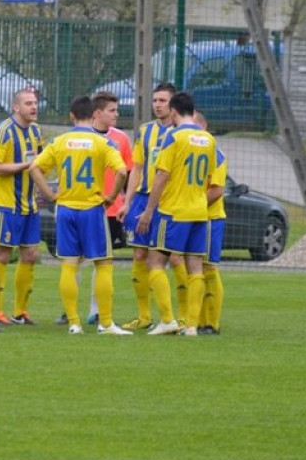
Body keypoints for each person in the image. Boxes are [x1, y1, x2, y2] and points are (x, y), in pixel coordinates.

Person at [28, 95, 131, 336]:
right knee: (103, 263)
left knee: (70, 264)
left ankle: (74, 323)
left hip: (65, 209)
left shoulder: (60, 141)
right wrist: (111, 196)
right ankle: (106, 323)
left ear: (72, 116)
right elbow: (122, 172)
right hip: (92, 209)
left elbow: (34, 168)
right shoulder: (103, 143)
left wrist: (52, 196)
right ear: (94, 113)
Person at [134, 91, 217, 336]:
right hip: (199, 211)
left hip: (173, 211)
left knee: (155, 262)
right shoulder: (208, 139)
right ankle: (191, 325)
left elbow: (162, 175)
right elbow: (209, 178)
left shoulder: (172, 136)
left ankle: (168, 319)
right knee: (196, 268)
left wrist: (149, 210)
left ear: (173, 111)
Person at [117, 82, 177, 331]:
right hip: (142, 198)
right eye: (155, 100)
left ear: (173, 104)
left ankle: (177, 317)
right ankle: (144, 316)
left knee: (173, 258)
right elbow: (137, 168)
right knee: (139, 255)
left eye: (163, 101)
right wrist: (127, 201)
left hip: (169, 201)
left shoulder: (180, 132)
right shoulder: (145, 131)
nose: (158, 105)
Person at [0, 88, 44, 326]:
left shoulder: (36, 131)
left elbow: (39, 162)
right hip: (6, 205)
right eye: (28, 103)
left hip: (30, 206)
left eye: (35, 103)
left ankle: (20, 311)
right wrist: (25, 165)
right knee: (2, 254)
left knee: (30, 254)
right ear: (15, 107)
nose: (34, 107)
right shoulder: (2, 132)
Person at [80, 91, 132, 326]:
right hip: (83, 206)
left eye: (117, 110)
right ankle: (68, 310)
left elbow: (128, 173)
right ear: (97, 113)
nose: (116, 114)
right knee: (76, 259)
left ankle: (96, 310)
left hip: (110, 210)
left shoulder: (121, 138)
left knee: (103, 261)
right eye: (112, 110)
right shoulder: (81, 137)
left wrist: (126, 202)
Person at [191, 110, 225, 335]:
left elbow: (218, 189)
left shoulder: (216, 154)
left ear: (204, 127)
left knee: (209, 268)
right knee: (194, 269)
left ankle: (212, 322)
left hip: (210, 218)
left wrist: (194, 205)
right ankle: (198, 320)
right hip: (193, 216)